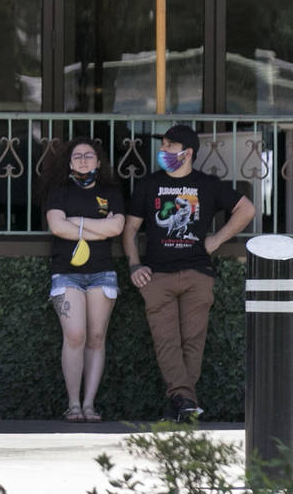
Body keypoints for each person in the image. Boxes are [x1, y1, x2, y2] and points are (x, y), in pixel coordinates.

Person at [123, 124, 255, 422]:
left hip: (198, 273)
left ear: (187, 152)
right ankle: (185, 401)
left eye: (169, 146)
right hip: (157, 275)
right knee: (166, 340)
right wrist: (134, 265)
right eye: (163, 145)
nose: (163, 151)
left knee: (193, 341)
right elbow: (130, 229)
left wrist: (216, 240)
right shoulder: (148, 184)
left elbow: (246, 209)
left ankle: (182, 404)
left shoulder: (207, 184)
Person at [40, 138, 124, 423]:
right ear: (69, 162)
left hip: (102, 272)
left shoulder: (111, 192)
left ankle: (89, 405)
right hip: (66, 272)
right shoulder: (59, 191)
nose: (84, 160)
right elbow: (56, 226)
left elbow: (117, 227)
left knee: (96, 338)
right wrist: (98, 228)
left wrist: (75, 222)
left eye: (90, 156)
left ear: (99, 162)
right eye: (78, 156)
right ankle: (73, 405)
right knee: (75, 335)